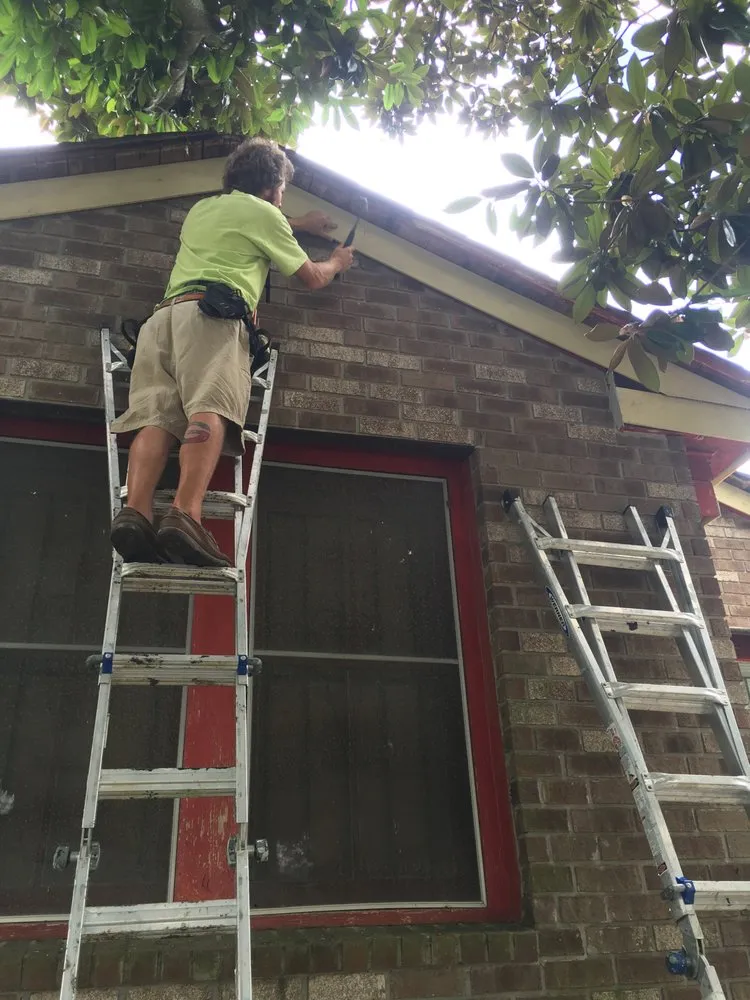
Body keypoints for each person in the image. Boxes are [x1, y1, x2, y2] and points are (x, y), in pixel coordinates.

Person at [109, 137, 355, 568]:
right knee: (209, 408)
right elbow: (313, 277)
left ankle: (136, 513)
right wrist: (337, 260)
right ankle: (186, 514)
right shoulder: (265, 215)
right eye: (281, 190)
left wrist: (296, 223)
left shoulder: (203, 210)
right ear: (275, 186)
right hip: (212, 318)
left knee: (156, 419)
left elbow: (246, 223)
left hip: (161, 323)